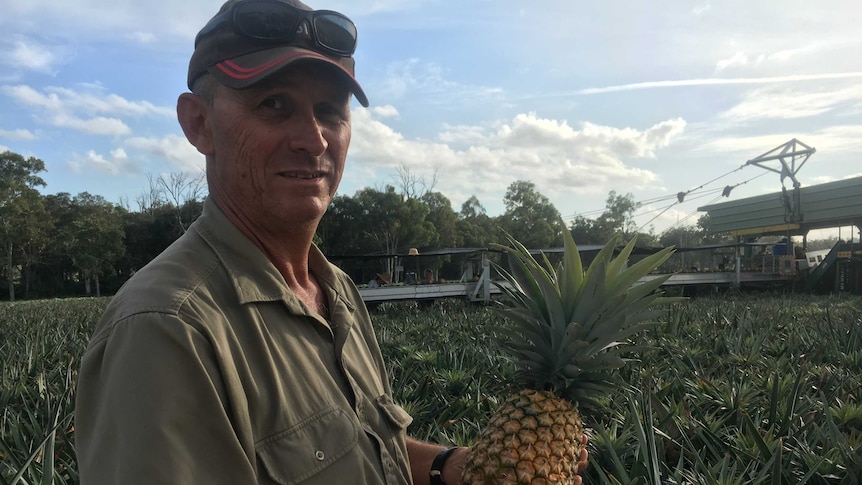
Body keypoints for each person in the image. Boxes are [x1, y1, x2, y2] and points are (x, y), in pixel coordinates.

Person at [74, 1, 586, 483]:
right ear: (199, 123)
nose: (313, 138)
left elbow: (363, 452)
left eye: (330, 110)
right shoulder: (166, 330)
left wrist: (451, 467)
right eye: (274, 105)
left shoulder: (334, 288)